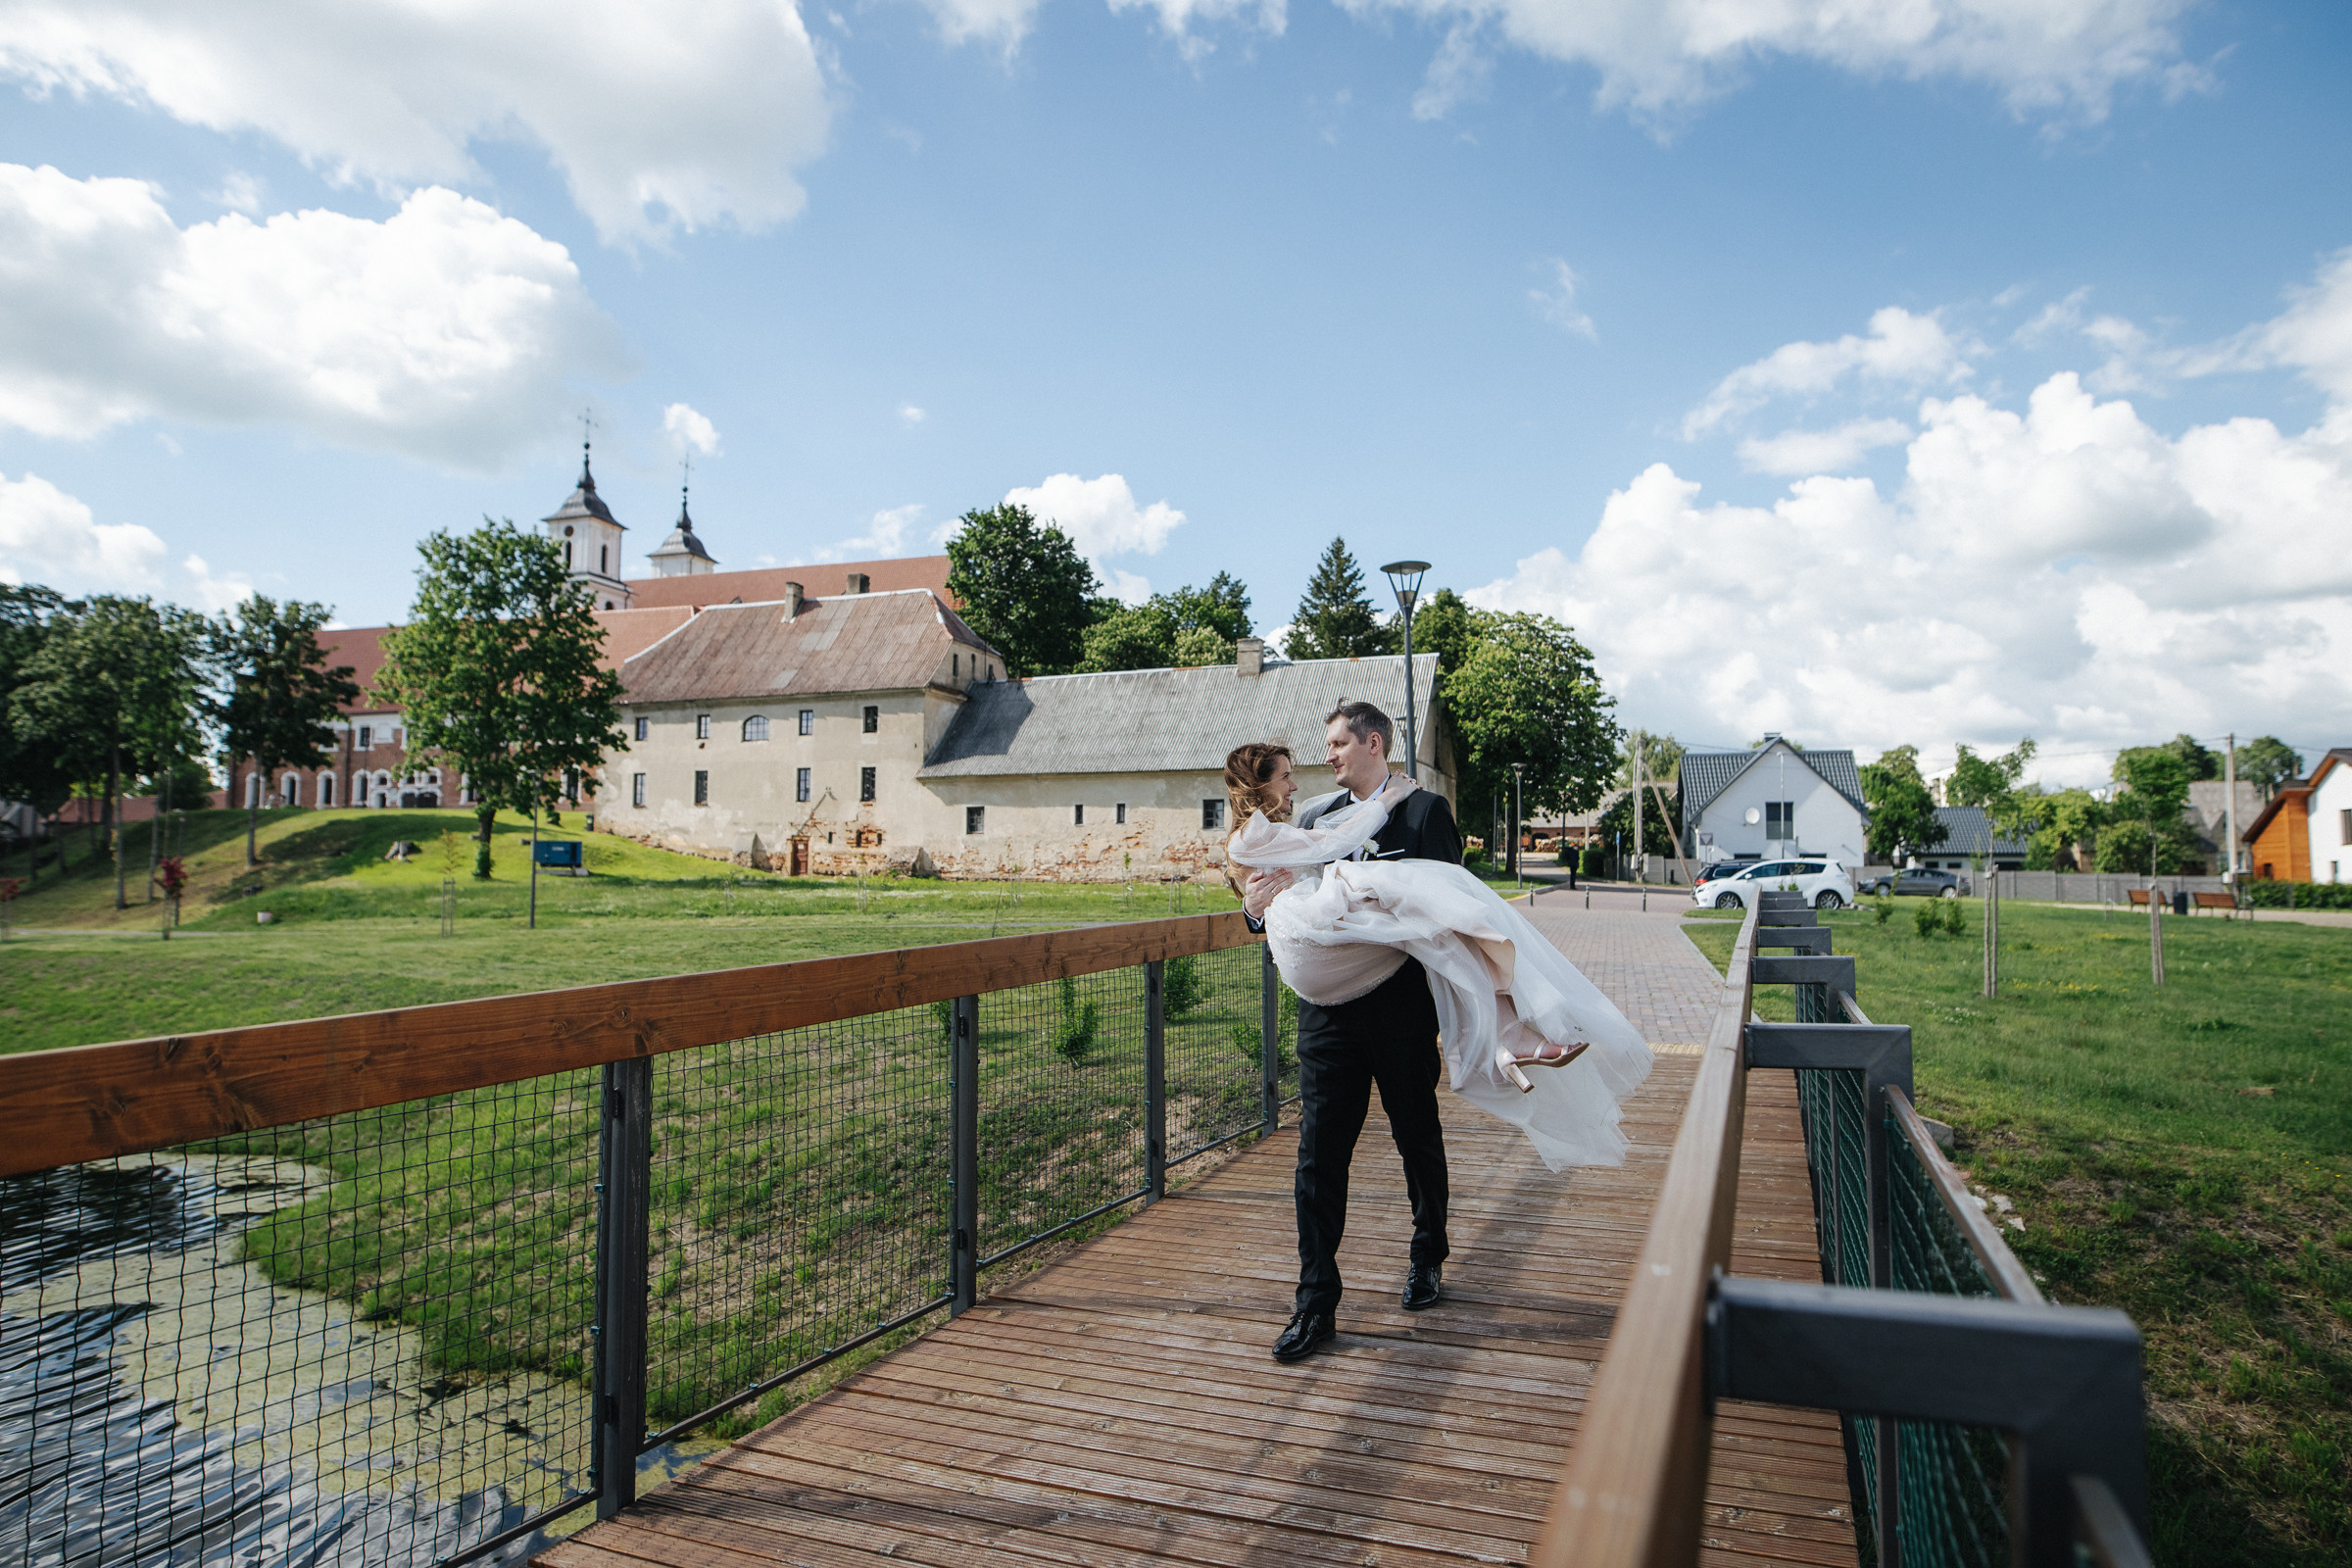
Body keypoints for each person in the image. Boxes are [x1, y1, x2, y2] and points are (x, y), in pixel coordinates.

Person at [1228, 703, 1652, 1365]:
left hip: (1399, 1010)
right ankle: (1315, 1303)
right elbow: (1275, 901)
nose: (1330, 756)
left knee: (1414, 1132)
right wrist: (1252, 914)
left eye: (1340, 743)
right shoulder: (1313, 819)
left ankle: (1428, 1255)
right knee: (1318, 1158)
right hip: (1327, 1022)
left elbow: (1457, 909)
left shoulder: (1425, 815)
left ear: (1374, 743)